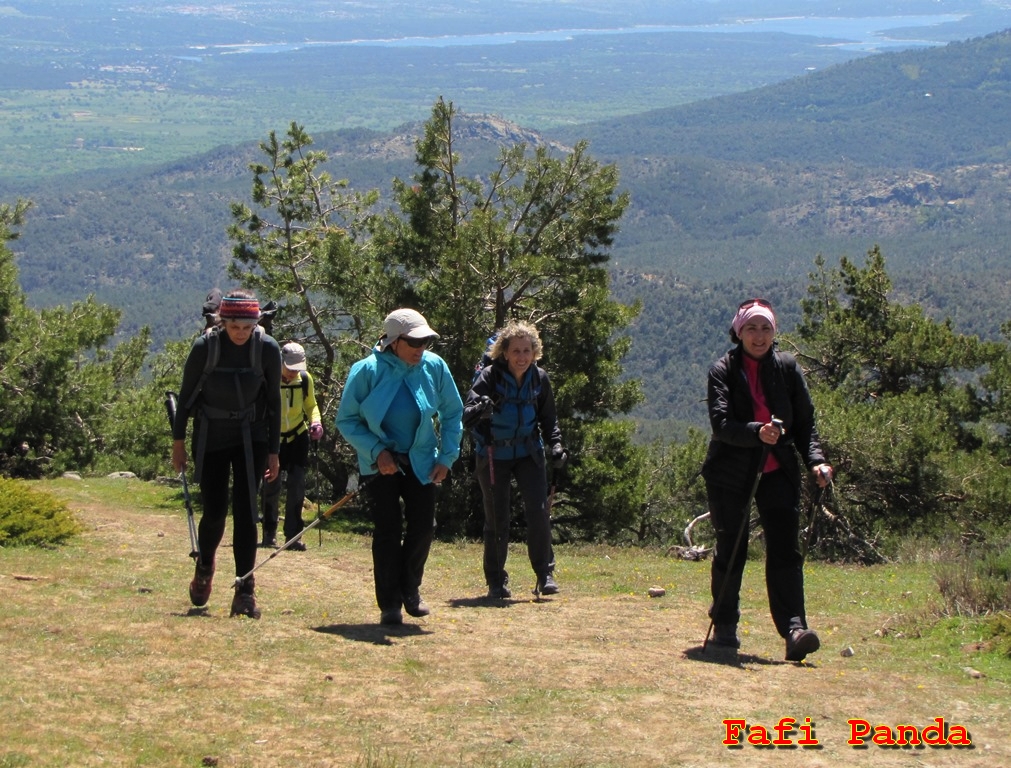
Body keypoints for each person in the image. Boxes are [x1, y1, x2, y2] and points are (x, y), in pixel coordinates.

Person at [701, 298, 833, 661]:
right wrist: (757, 432)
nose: (759, 336)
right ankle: (725, 624)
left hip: (777, 470)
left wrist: (816, 462)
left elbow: (805, 422)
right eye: (751, 328)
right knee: (732, 549)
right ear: (738, 331)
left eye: (766, 328)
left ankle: (794, 629)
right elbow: (722, 425)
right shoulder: (722, 371)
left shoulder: (788, 369)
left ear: (775, 332)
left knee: (785, 551)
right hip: (730, 472)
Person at [336, 308, 464, 625]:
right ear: (394, 341)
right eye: (414, 342)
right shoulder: (366, 371)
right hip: (379, 465)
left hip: (422, 460)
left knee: (423, 527)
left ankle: (411, 589)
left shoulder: (434, 367)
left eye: (426, 342)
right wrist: (378, 451)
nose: (421, 348)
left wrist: (447, 457)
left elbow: (453, 413)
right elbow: (346, 421)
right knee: (388, 531)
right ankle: (390, 604)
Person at [172, 289, 282, 619]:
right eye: (235, 327)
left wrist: (274, 451)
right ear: (223, 322)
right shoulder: (205, 347)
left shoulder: (267, 349)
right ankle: (205, 567)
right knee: (216, 511)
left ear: (256, 323)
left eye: (247, 328)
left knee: (248, 512)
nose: (240, 334)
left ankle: (245, 591)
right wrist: (178, 443)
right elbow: (186, 395)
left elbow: (274, 403)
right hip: (212, 436)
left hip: (253, 436)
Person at [463, 321, 566, 599]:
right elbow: (467, 415)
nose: (522, 357)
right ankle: (496, 581)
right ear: (504, 353)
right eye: (516, 351)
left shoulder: (539, 378)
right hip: (494, 455)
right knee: (497, 520)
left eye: (527, 350)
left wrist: (555, 444)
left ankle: (545, 575)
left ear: (535, 352)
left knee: (539, 512)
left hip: (529, 453)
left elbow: (548, 418)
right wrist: (480, 409)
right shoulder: (489, 377)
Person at [261, 342, 323, 550]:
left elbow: (311, 404)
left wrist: (316, 422)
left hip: (298, 436)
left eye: (297, 368)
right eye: (290, 368)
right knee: (272, 484)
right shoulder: (268, 378)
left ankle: (293, 536)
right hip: (274, 439)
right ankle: (269, 533)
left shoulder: (304, 380)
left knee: (297, 485)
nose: (293, 372)